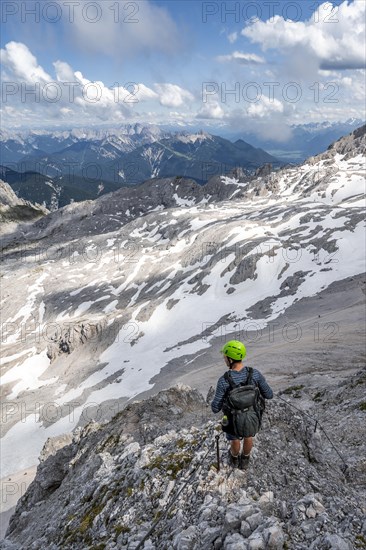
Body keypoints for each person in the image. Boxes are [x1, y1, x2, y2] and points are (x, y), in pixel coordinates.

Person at [211, 340, 273, 469]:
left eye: (225, 357)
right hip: (252, 415)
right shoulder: (254, 374)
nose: (224, 359)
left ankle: (234, 458)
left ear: (230, 358)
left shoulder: (224, 381)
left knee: (234, 439)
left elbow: (215, 408)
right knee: (249, 435)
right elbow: (269, 394)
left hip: (233, 419)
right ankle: (245, 460)